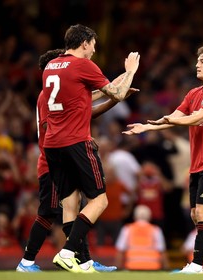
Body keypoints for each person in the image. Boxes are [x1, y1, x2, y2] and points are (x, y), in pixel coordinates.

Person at [16, 48, 137, 272]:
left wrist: (119, 84)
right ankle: (28, 262)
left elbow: (91, 99)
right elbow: (86, 107)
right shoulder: (46, 97)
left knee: (72, 204)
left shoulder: (53, 93)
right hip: (53, 158)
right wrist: (120, 87)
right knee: (49, 211)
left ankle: (84, 260)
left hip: (56, 153)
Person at [124, 45, 203, 274]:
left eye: (202, 61)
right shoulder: (193, 94)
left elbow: (197, 119)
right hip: (197, 164)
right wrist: (146, 127)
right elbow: (175, 117)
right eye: (197, 60)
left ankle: (196, 264)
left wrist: (168, 121)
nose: (197, 64)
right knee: (196, 215)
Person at [115, 204, 169, 270]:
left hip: (132, 268)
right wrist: (167, 269)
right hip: (153, 269)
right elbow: (162, 252)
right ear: (149, 217)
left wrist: (116, 270)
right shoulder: (156, 230)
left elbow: (120, 252)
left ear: (134, 216)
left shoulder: (127, 229)